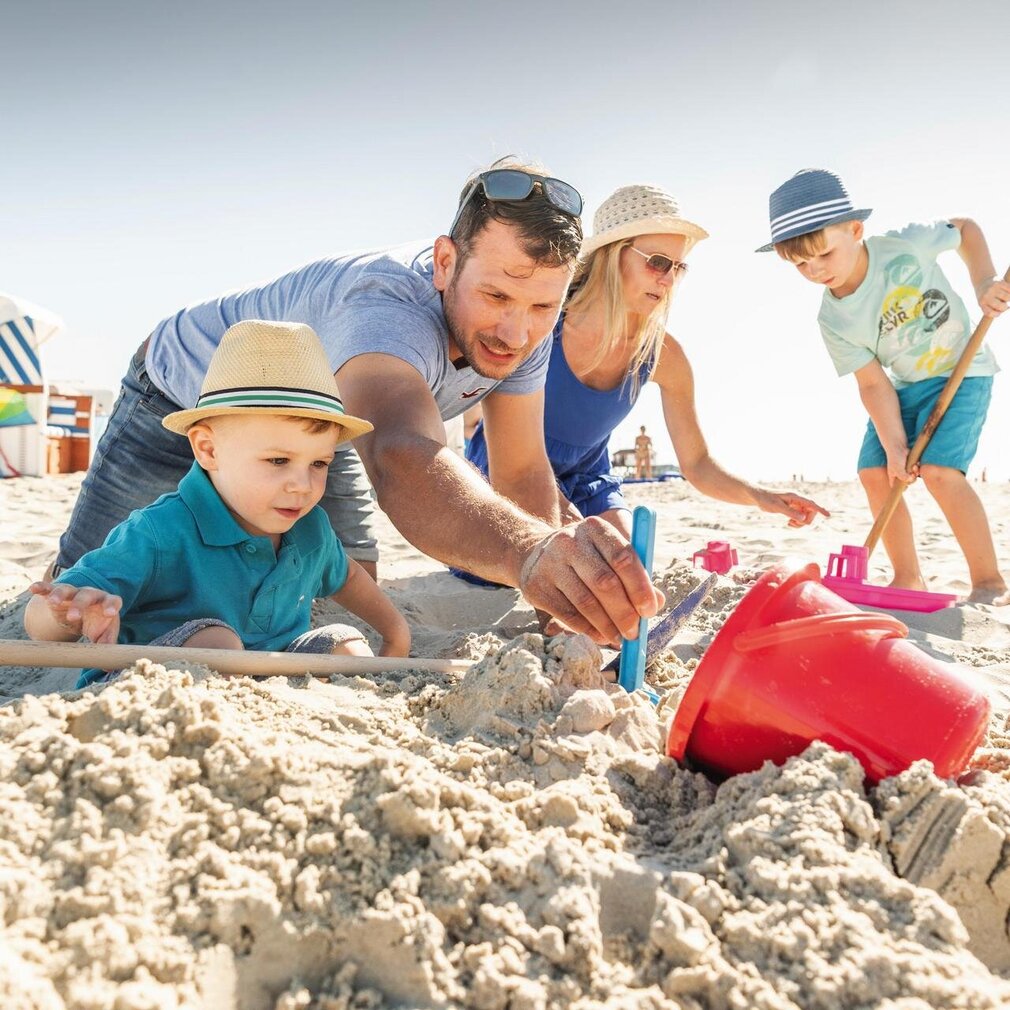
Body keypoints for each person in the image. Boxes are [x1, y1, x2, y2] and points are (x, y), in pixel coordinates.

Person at [51, 159, 663, 646]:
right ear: (445, 262)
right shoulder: (383, 306)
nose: (515, 331)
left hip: (320, 427)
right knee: (80, 596)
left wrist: (560, 601)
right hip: (176, 389)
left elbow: (524, 469)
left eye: (542, 307)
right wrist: (528, 552)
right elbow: (400, 452)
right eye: (496, 296)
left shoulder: (523, 324)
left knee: (344, 584)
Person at [25, 321, 412, 688]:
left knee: (347, 646)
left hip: (272, 672)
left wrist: (395, 631)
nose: (303, 485)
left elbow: (347, 576)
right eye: (278, 460)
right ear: (208, 449)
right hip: (155, 677)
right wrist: (68, 613)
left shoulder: (311, 528)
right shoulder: (159, 531)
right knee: (217, 641)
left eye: (319, 464)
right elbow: (38, 623)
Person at [464, 184, 827, 550]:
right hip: (505, 473)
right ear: (612, 254)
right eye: (658, 262)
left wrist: (761, 496)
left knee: (630, 560)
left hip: (587, 484)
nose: (668, 280)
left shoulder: (663, 354)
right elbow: (511, 457)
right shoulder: (540, 323)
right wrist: (575, 531)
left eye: (679, 267)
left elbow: (697, 463)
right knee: (579, 560)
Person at [759, 168, 1010, 604]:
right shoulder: (833, 318)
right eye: (800, 264)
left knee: (939, 472)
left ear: (855, 230)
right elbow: (873, 384)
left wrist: (985, 282)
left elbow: (965, 229)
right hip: (903, 387)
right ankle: (907, 577)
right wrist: (894, 445)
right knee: (875, 471)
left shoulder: (905, 245)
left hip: (962, 372)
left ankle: (989, 581)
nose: (814, 270)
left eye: (824, 254)